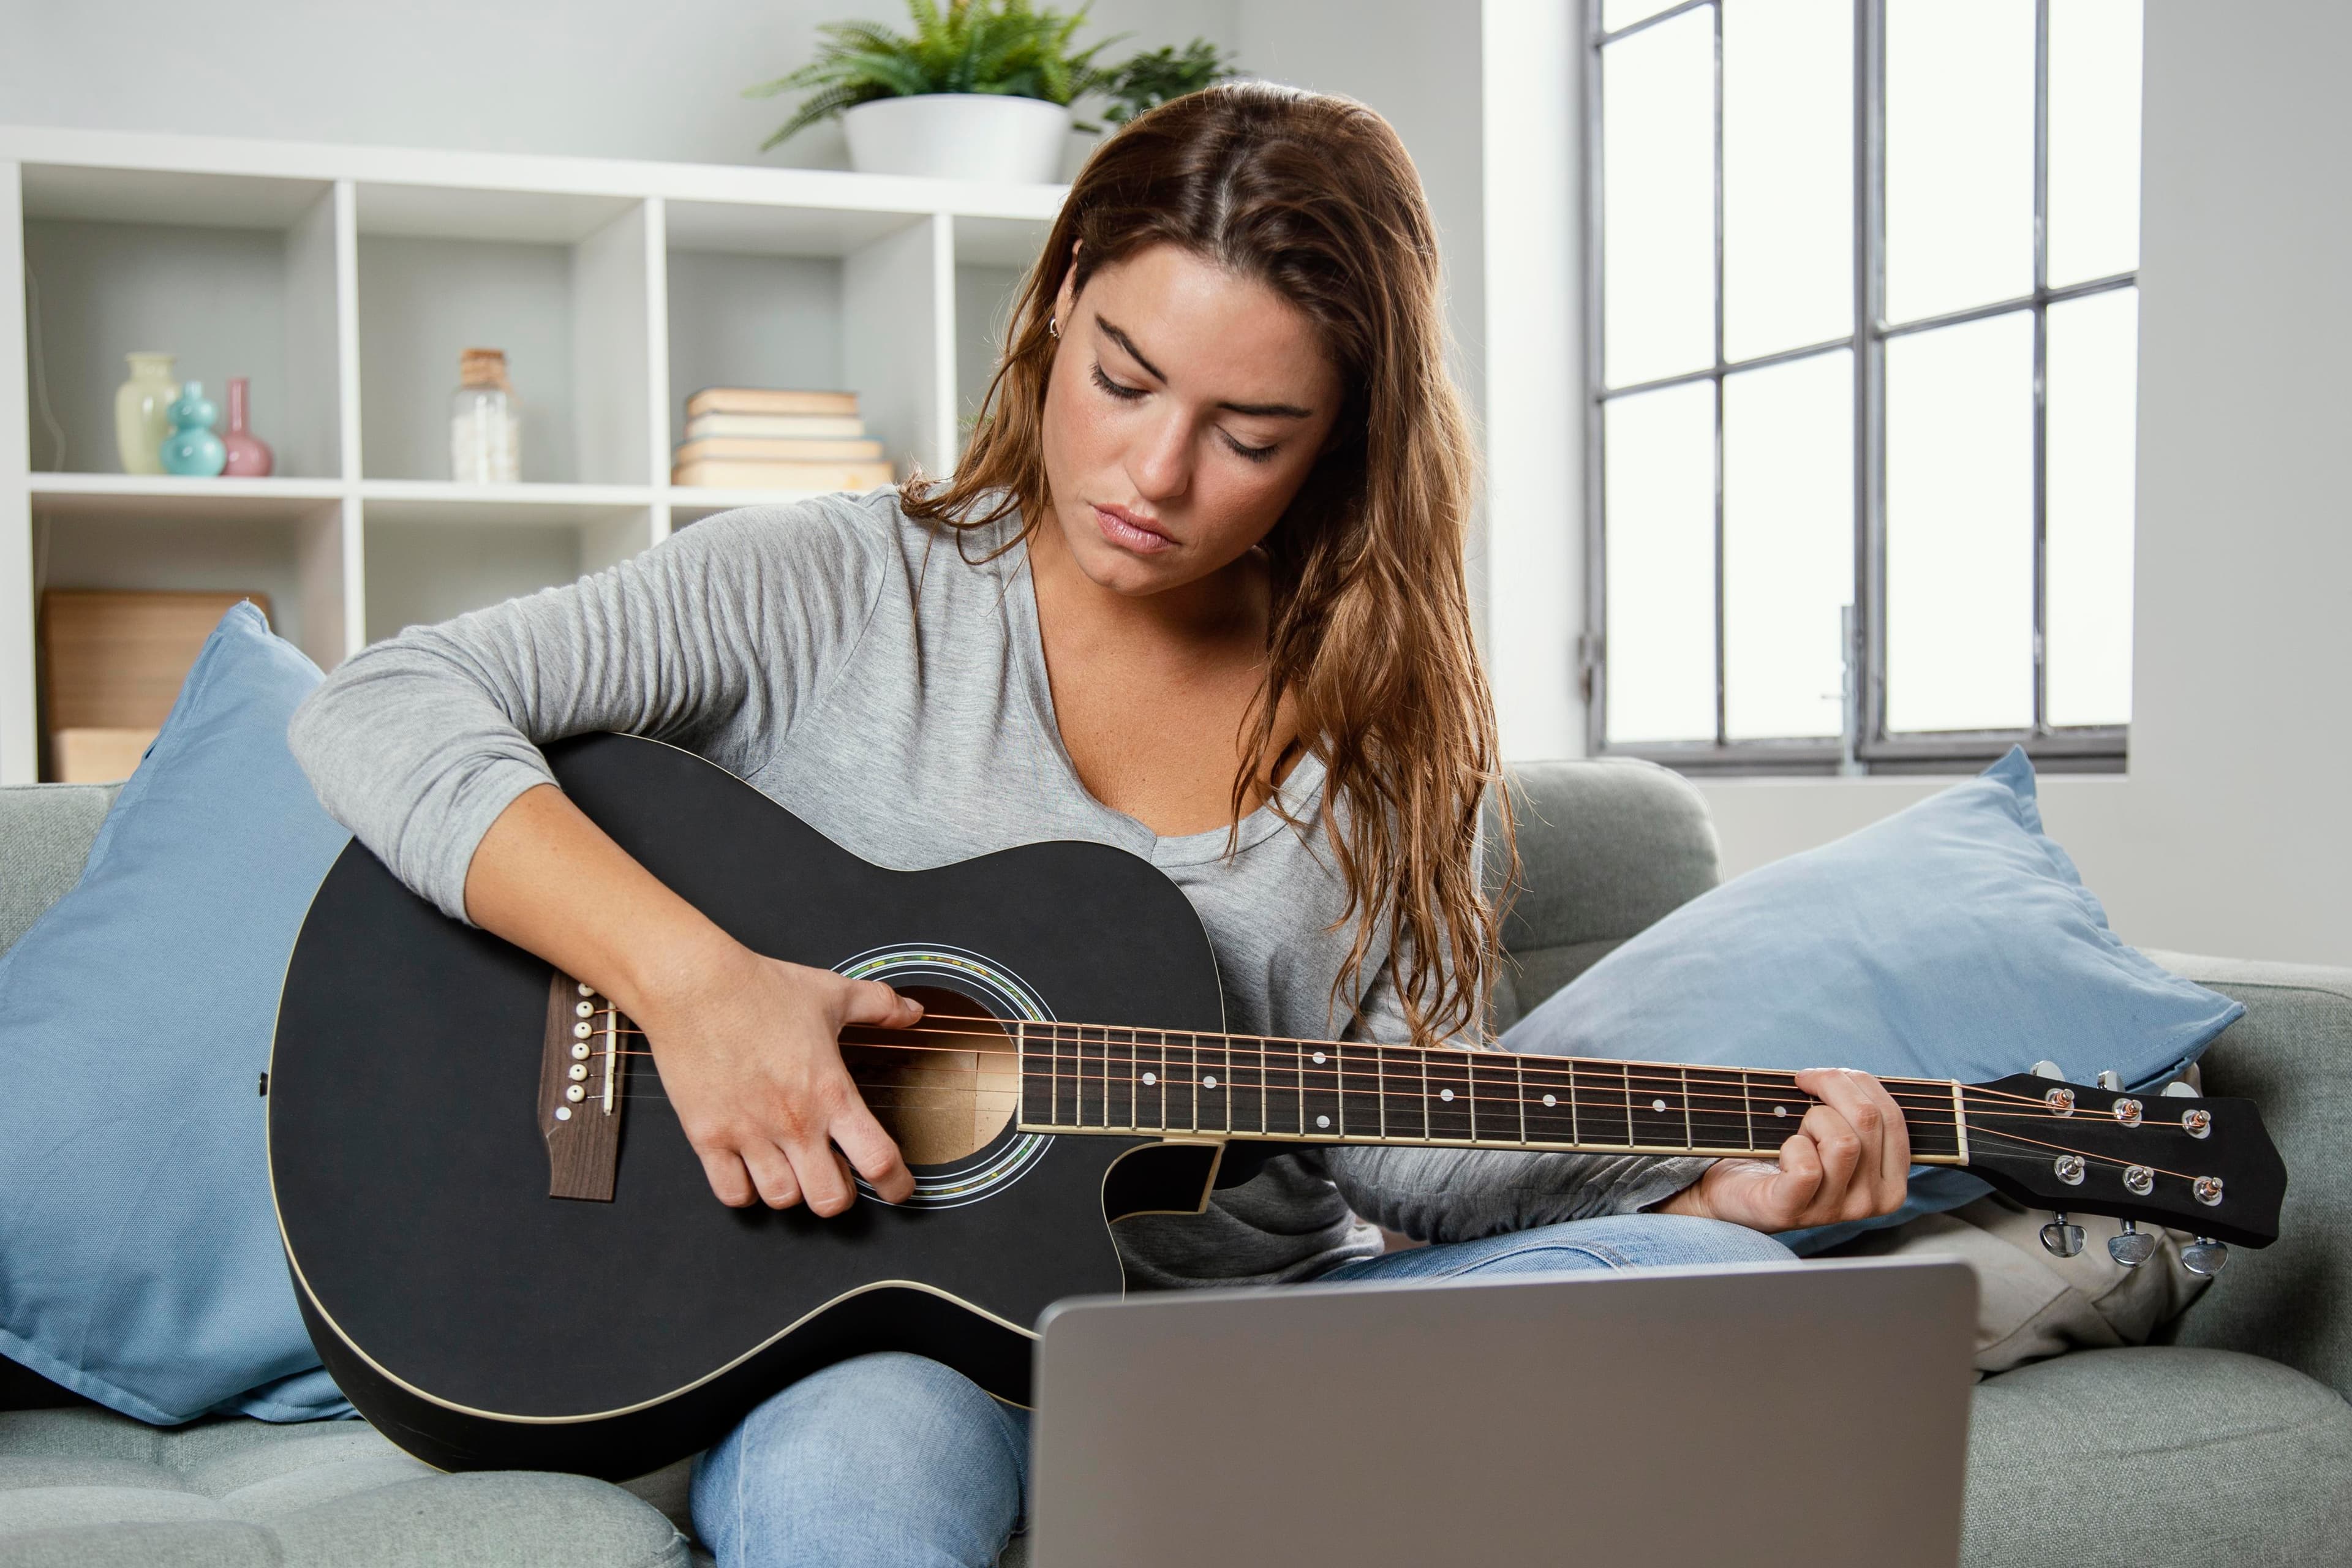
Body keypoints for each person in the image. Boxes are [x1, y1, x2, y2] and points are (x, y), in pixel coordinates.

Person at [290, 83, 1909, 1568]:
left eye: (1248, 433)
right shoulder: (833, 586)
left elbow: (1412, 1157)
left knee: (1708, 1291)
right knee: (847, 1491)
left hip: (1250, 1351)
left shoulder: (1388, 741)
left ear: (1341, 436)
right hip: (896, 1356)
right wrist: (694, 984)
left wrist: (1705, 1204)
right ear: (1059, 304)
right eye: (1121, 377)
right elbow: (378, 705)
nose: (1153, 470)